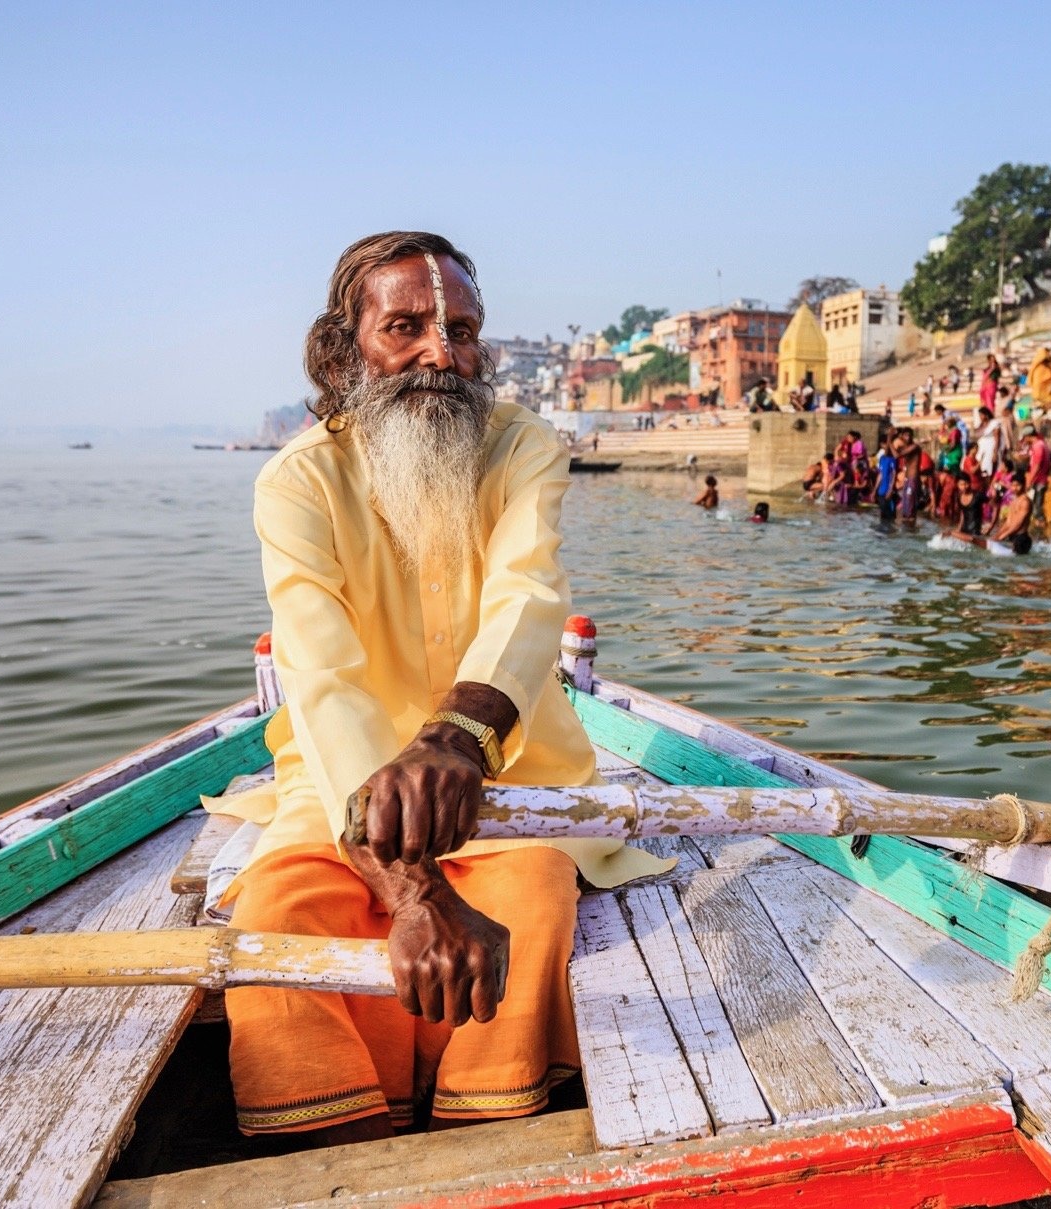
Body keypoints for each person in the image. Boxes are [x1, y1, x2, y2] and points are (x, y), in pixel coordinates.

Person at [226, 231, 671, 1145]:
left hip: (508, 776)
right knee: (278, 920)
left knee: (532, 901)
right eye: (407, 326)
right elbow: (319, 674)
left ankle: (484, 1136)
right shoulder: (297, 481)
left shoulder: (522, 447)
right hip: (334, 782)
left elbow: (528, 595)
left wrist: (457, 739)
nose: (442, 352)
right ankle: (335, 1150)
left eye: (461, 330)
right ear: (345, 350)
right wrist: (416, 892)